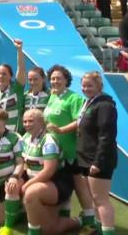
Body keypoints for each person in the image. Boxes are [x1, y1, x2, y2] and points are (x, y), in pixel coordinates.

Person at [43, 65, 95, 227]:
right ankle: (65, 214)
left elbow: (79, 121)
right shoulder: (53, 97)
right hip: (55, 151)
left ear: (67, 80)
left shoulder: (74, 98)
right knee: (62, 181)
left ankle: (89, 218)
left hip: (70, 150)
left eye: (59, 78)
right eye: (52, 78)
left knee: (78, 182)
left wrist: (61, 130)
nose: (55, 81)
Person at [21, 109, 80, 235]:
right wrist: (15, 177)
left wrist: (27, 184)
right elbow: (21, 162)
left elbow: (49, 171)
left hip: (57, 182)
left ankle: (33, 232)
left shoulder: (48, 140)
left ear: (41, 122)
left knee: (31, 193)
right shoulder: (25, 138)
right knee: (49, 230)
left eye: (31, 121)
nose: (26, 124)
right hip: (40, 182)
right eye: (24, 121)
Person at [78, 71, 118, 235]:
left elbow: (107, 136)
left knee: (101, 200)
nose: (86, 88)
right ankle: (99, 231)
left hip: (98, 160)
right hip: (86, 158)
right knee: (95, 199)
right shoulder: (89, 102)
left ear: (99, 86)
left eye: (90, 85)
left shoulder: (105, 106)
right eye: (84, 85)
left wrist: (98, 162)